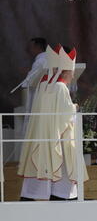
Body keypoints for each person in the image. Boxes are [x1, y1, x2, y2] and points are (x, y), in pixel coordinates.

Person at [21, 47, 89, 201]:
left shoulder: (44, 85)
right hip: (58, 136)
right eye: (71, 72)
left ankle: (36, 194)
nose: (72, 75)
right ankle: (61, 195)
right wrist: (75, 107)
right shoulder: (60, 88)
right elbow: (65, 115)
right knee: (63, 169)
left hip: (44, 134)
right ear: (65, 71)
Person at [18, 44, 59, 200]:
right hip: (47, 129)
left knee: (37, 165)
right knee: (41, 164)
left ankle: (30, 195)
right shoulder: (51, 84)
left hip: (41, 127)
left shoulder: (45, 82)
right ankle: (32, 195)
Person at [15, 38, 48, 131]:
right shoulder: (48, 59)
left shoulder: (40, 61)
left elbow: (28, 83)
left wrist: (26, 78)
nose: (29, 50)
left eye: (31, 47)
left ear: (37, 47)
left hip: (36, 97)